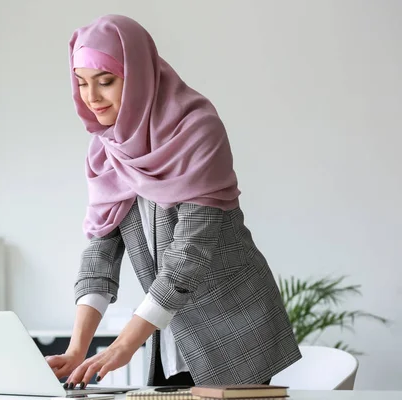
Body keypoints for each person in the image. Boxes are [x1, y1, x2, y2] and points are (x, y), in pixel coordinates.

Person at [45, 14, 302, 389]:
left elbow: (189, 255)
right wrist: (75, 349)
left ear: (138, 76)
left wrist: (122, 346)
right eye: (82, 83)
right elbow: (100, 250)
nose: (92, 97)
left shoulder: (198, 130)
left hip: (233, 328)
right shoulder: (106, 149)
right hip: (166, 328)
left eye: (106, 81)